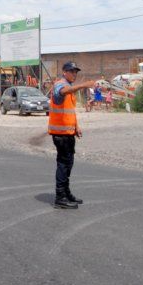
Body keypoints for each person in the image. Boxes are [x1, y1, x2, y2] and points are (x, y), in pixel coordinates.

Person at [48, 62, 95, 209]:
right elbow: (62, 92)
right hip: (60, 134)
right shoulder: (60, 85)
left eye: (76, 72)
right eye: (71, 71)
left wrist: (76, 127)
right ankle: (60, 197)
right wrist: (83, 85)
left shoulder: (68, 86)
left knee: (68, 164)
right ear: (64, 72)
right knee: (63, 164)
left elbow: (69, 111)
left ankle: (66, 193)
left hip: (68, 133)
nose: (74, 74)